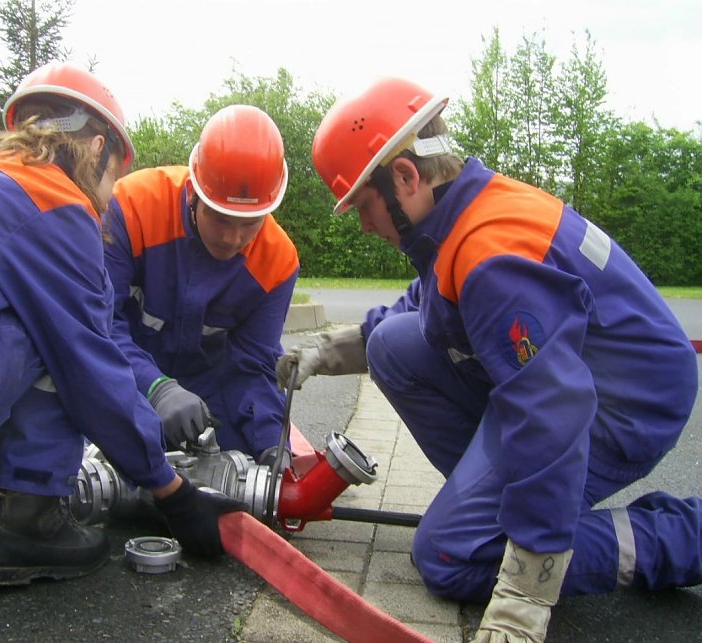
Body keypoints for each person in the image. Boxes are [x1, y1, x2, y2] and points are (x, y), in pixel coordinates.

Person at [279, 76, 701, 642]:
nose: (364, 223)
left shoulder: (491, 255)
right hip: (576, 377)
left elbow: (553, 413)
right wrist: (328, 351)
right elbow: (429, 307)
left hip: (626, 404)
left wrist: (525, 592)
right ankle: (504, 509)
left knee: (450, 554)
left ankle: (679, 538)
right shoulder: (464, 214)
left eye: (364, 205)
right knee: (391, 346)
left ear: (404, 177)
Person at [0, 62, 241, 586]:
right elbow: (91, 366)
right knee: (59, 334)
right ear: (97, 148)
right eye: (114, 178)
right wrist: (172, 490)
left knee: (13, 358)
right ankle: (28, 516)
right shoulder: (53, 199)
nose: (109, 199)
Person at [103, 104, 299, 466]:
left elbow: (253, 365)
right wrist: (154, 387)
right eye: (220, 218)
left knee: (245, 465)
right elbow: (98, 324)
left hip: (205, 393)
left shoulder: (278, 261)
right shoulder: (131, 206)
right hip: (122, 375)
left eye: (250, 223)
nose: (233, 238)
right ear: (193, 191)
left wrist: (273, 445)